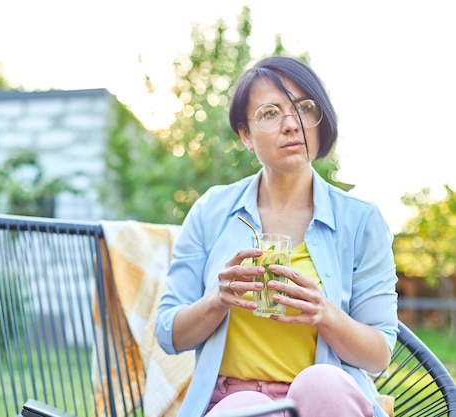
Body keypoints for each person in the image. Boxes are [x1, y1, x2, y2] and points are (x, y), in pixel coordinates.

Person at [154, 55, 399, 417]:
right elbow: (168, 333)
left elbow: (378, 356)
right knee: (245, 408)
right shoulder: (212, 211)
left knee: (322, 383)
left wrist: (324, 312)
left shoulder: (361, 220)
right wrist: (218, 299)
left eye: (304, 108)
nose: (292, 124)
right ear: (245, 135)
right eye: (270, 112)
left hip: (325, 403)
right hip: (232, 402)